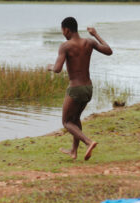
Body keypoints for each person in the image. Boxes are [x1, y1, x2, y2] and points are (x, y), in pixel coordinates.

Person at [47, 16, 112, 161]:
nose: (63, 33)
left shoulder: (65, 46)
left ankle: (89, 142)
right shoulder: (89, 42)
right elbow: (109, 51)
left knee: (66, 122)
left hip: (75, 89)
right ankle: (73, 151)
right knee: (75, 119)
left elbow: (57, 69)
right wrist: (95, 34)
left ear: (67, 30)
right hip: (88, 88)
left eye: (62, 30)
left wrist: (50, 67)